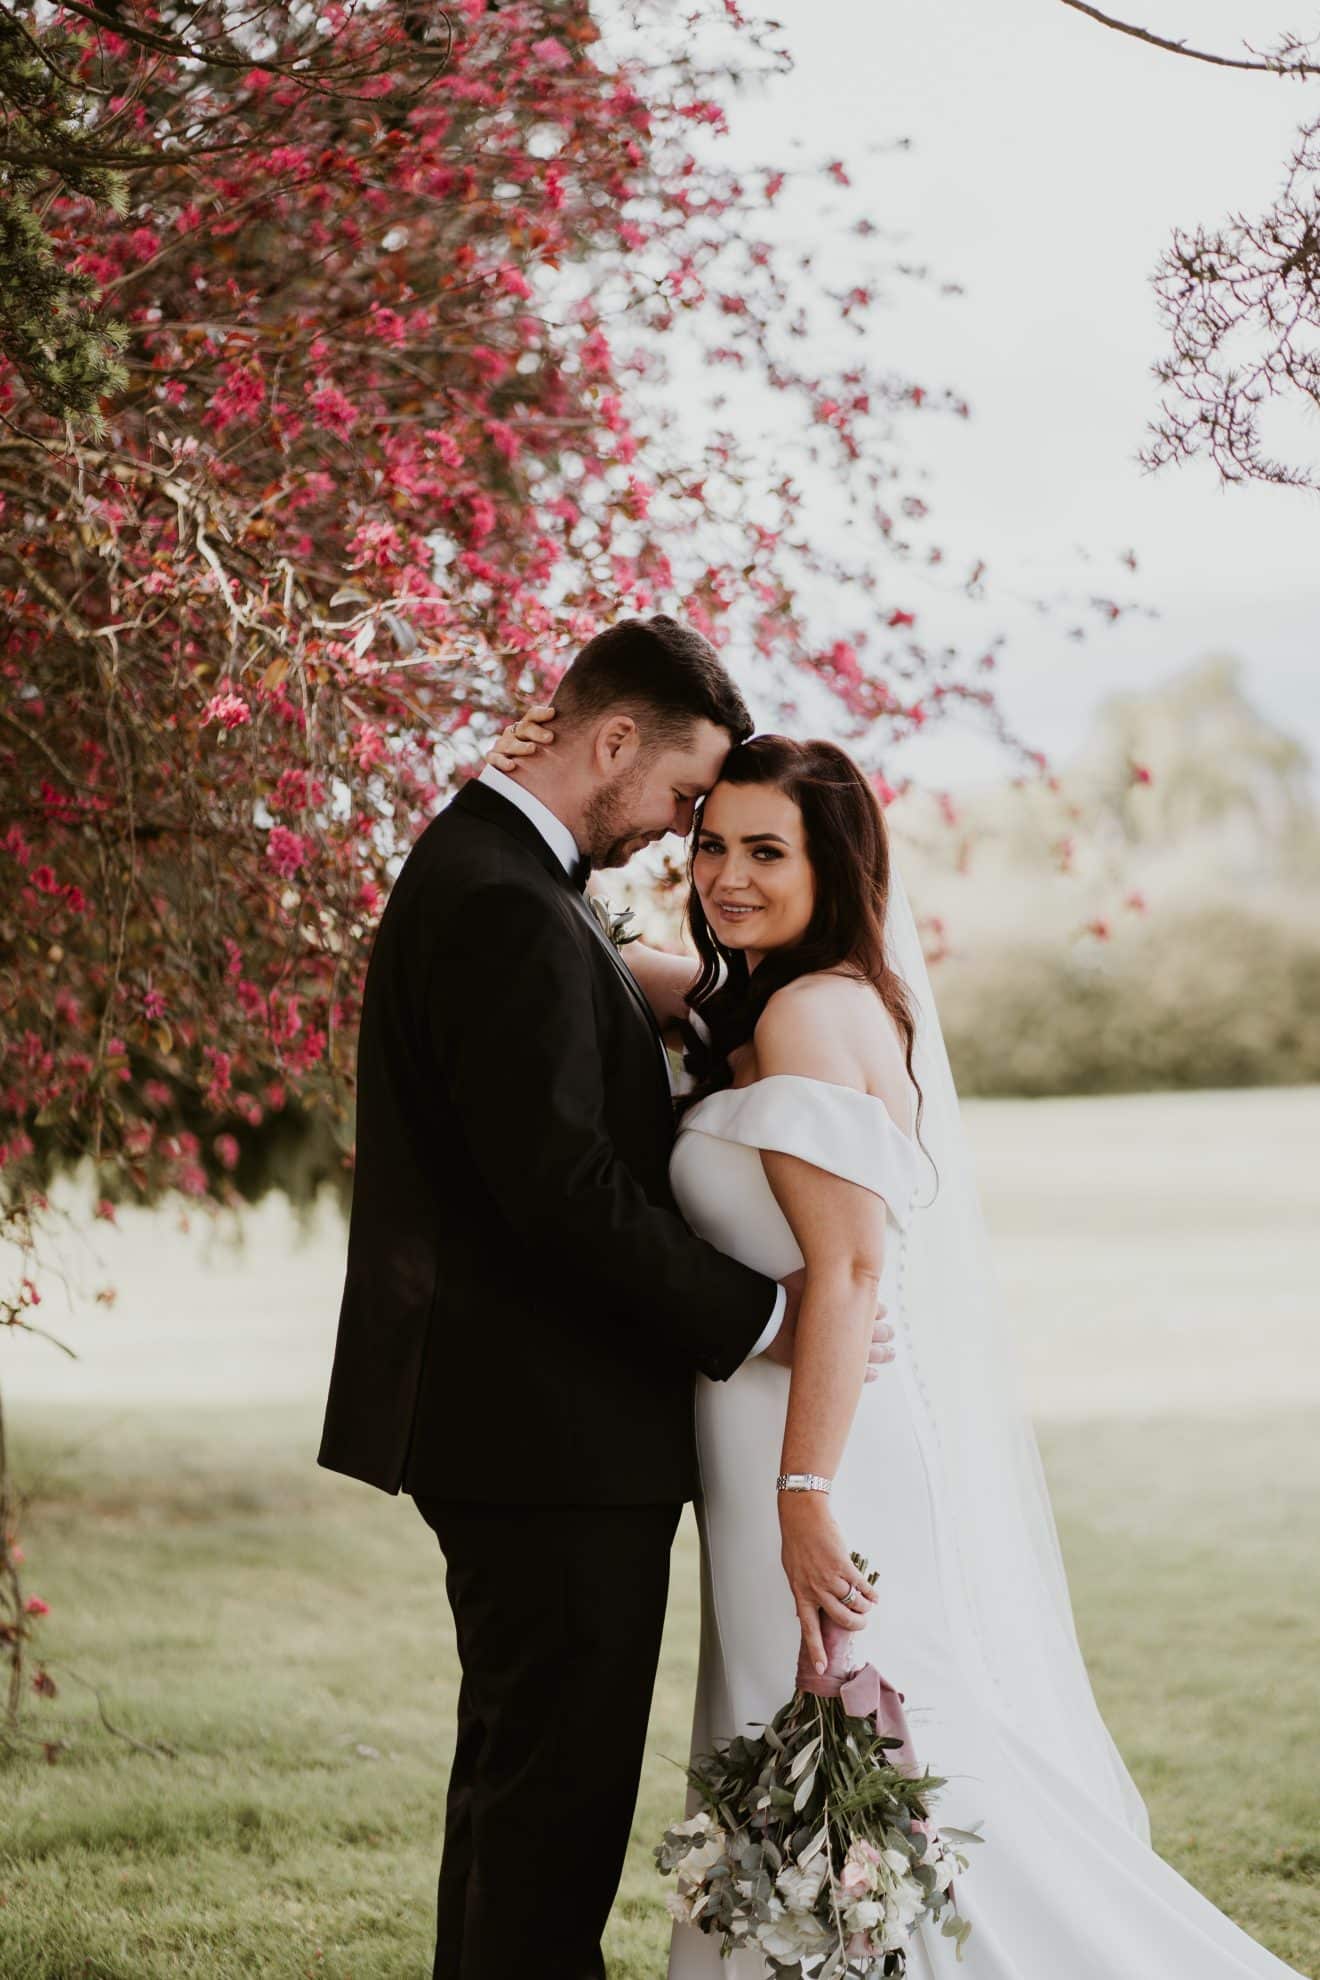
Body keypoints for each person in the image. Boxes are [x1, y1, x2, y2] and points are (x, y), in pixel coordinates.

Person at [490, 711, 1307, 1979]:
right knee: (805, 1751)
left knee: (876, 1757)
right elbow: (592, 953)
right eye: (711, 846)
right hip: (783, 1450)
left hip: (825, 1462)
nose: (727, 878)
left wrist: (806, 1497)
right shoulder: (760, 1004)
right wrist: (511, 798)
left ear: (835, 870)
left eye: (769, 852)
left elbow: (856, 1267)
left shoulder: (813, 1016)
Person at [316, 615, 893, 1980]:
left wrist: (758, 986)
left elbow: (604, 1025)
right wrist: (762, 1319)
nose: (686, 837)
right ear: (614, 739)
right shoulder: (508, 898)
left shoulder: (502, 873)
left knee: (521, 1791)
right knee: (550, 1811)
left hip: (527, 1426)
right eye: (689, 801)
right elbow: (560, 1189)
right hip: (547, 1437)